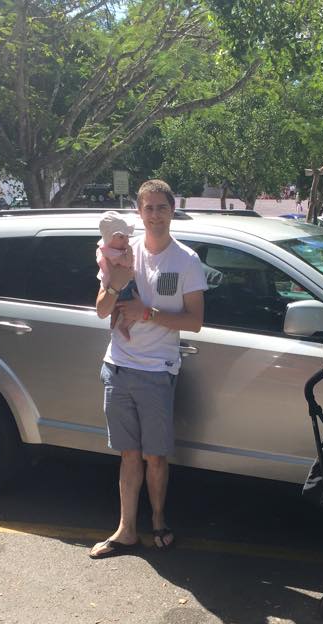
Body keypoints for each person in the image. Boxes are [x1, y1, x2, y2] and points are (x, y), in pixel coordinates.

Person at [90, 179, 208, 559]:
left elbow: (194, 322)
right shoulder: (123, 252)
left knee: (155, 455)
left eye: (161, 207)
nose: (155, 214)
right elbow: (102, 310)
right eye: (148, 208)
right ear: (139, 213)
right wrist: (115, 285)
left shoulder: (186, 261)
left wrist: (148, 313)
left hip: (158, 371)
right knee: (128, 453)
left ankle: (158, 521)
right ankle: (126, 530)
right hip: (119, 367)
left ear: (172, 210)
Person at [97, 211, 136, 340]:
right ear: (109, 238)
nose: (127, 240)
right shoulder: (113, 254)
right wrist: (129, 252)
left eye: (126, 236)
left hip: (112, 285)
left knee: (116, 308)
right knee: (129, 304)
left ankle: (114, 323)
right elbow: (127, 263)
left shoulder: (106, 250)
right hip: (122, 287)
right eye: (121, 237)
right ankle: (123, 325)